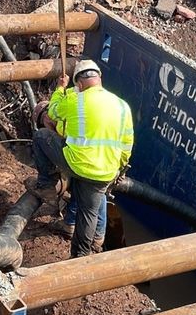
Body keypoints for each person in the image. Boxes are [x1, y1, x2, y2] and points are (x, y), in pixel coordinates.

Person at [27, 59, 133, 258]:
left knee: (41, 136)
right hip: (106, 171)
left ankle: (47, 185)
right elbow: (127, 143)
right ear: (99, 79)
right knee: (89, 213)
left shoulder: (77, 100)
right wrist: (119, 167)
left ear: (80, 84)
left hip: (78, 164)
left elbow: (53, 111)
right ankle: (81, 256)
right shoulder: (122, 106)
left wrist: (60, 88)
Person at [32, 100, 106, 245]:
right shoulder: (83, 113)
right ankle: (97, 235)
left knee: (82, 181)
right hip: (105, 161)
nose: (46, 125)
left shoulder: (65, 121)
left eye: (43, 122)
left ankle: (69, 222)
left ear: (46, 117)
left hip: (88, 163)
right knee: (96, 190)